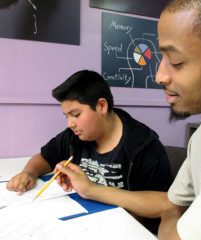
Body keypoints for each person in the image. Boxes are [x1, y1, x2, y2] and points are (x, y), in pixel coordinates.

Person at [51, 0, 201, 239]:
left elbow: (170, 223)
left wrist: (172, 219)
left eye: (177, 62)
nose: (159, 76)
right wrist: (90, 189)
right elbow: (171, 206)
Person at [7, 69, 172, 232]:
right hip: (81, 225)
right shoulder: (75, 136)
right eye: (67, 116)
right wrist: (29, 172)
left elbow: (165, 204)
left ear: (101, 106)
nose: (70, 124)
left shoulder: (144, 145)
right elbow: (45, 156)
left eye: (76, 114)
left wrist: (91, 190)